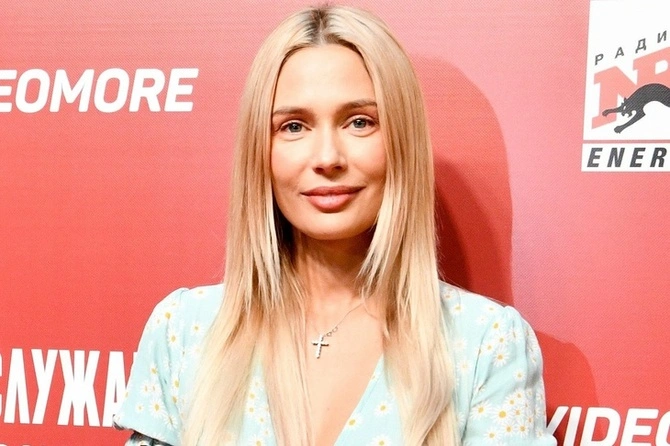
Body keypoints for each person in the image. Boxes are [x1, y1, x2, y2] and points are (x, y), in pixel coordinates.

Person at [113, 5, 557, 445]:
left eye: (359, 122)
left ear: (402, 142)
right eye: (293, 126)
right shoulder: (183, 331)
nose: (327, 157)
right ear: (259, 151)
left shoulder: (485, 345)